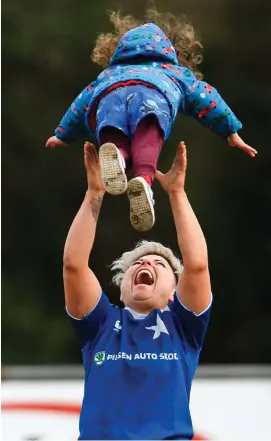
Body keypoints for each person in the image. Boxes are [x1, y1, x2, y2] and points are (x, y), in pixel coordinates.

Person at [46, 9, 257, 233]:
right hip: (152, 98)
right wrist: (230, 131)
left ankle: (117, 153)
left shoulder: (108, 74)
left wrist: (62, 134)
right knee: (147, 140)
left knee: (112, 133)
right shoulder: (175, 72)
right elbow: (207, 97)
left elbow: (82, 103)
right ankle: (144, 180)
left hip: (108, 98)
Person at [63, 139, 212, 440]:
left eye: (159, 264)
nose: (147, 263)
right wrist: (95, 193)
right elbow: (73, 265)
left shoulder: (183, 326)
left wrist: (177, 193)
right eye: (139, 262)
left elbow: (196, 265)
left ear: (174, 293)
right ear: (121, 290)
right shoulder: (101, 325)